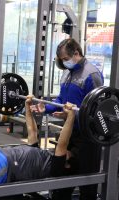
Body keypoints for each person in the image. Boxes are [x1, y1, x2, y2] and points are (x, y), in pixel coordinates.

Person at [31, 38, 104, 200]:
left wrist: (72, 115)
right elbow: (60, 100)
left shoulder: (92, 74)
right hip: (69, 134)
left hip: (88, 139)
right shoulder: (66, 73)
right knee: (63, 182)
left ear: (76, 53)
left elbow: (97, 111)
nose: (64, 63)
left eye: (66, 59)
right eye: (62, 60)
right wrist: (46, 108)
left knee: (87, 187)